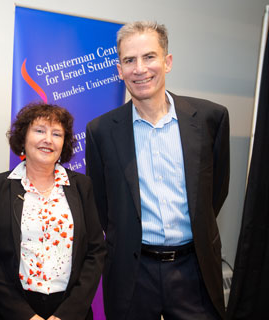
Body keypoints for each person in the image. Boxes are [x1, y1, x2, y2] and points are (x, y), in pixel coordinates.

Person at [86, 21, 230, 320]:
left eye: (149, 57)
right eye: (129, 60)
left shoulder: (209, 118)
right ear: (119, 70)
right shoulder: (100, 131)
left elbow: (215, 191)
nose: (140, 69)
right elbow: (103, 206)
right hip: (133, 273)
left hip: (195, 269)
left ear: (168, 62)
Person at [0, 103, 105, 320]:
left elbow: (95, 252)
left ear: (64, 144)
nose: (48, 139)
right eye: (39, 130)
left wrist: (67, 314)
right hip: (10, 311)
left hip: (69, 310)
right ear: (23, 138)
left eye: (56, 134)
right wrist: (24, 316)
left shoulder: (81, 186)